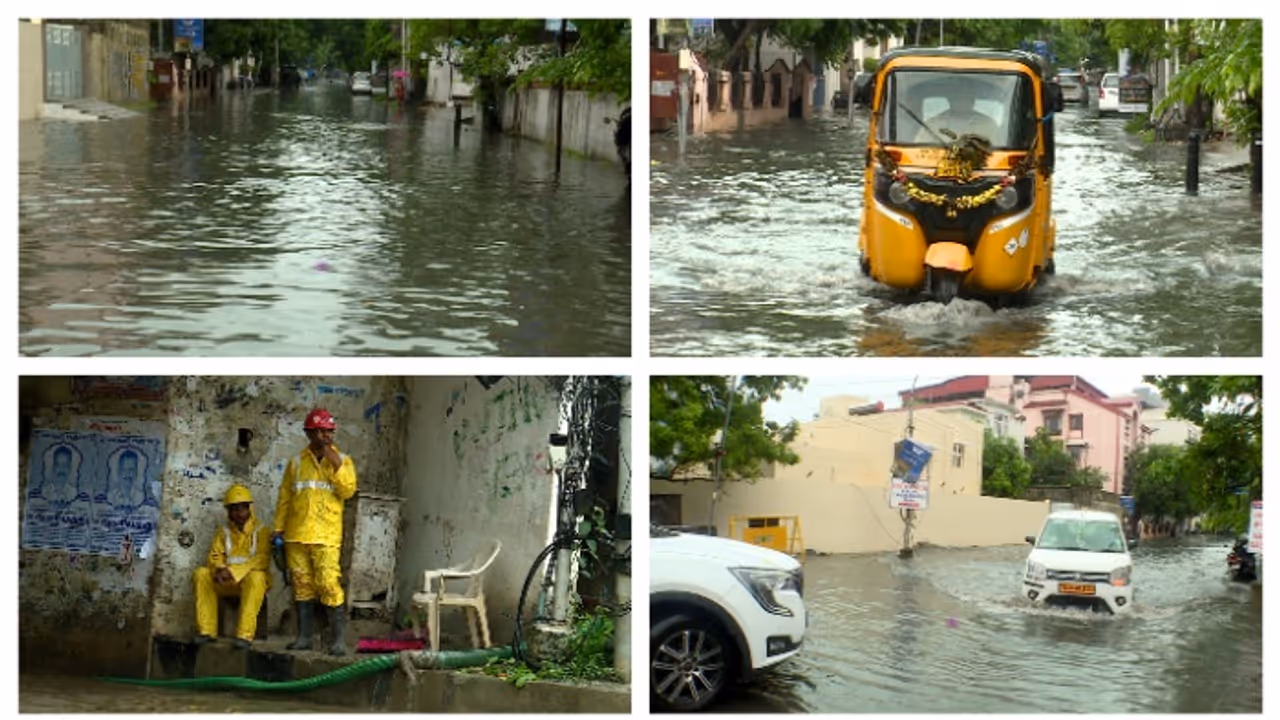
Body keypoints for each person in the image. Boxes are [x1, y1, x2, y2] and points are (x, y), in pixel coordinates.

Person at [273, 408, 358, 656]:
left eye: (328, 431)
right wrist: (278, 529)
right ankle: (304, 637)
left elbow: (348, 492)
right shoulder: (296, 463)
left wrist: (336, 463)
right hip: (296, 534)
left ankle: (339, 639)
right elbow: (285, 499)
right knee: (301, 585)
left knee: (328, 583)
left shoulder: (343, 461)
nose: (324, 436)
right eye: (319, 431)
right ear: (309, 433)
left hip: (326, 535)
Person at [192, 484, 272, 649]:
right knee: (201, 574)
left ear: (249, 508)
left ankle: (244, 636)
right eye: (233, 509)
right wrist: (219, 569)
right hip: (226, 582)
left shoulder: (262, 531)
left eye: (241, 508)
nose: (238, 513)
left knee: (257, 577)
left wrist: (234, 572)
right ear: (228, 512)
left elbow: (262, 559)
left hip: (249, 584)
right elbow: (214, 555)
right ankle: (206, 631)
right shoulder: (224, 532)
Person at [914, 84, 1000, 144]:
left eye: (967, 97)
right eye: (959, 97)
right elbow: (917, 151)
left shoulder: (988, 124)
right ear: (950, 100)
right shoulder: (933, 124)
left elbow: (998, 152)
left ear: (973, 100)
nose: (963, 101)